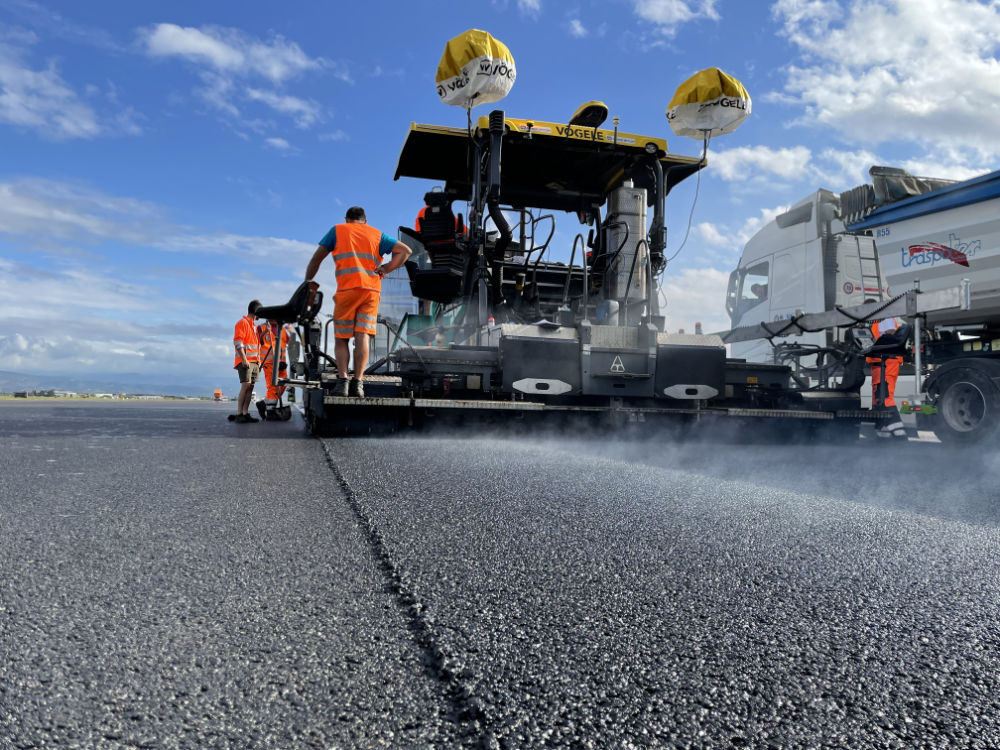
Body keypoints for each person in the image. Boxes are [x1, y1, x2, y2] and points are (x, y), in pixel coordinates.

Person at [304, 206, 412, 398]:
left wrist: (308, 284)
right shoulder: (377, 235)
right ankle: (358, 382)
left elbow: (316, 259)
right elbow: (405, 251)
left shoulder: (337, 230)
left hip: (347, 290)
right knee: (362, 336)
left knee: (342, 338)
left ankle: (343, 381)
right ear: (365, 221)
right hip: (370, 291)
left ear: (347, 219)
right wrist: (386, 268)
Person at [865, 300, 906, 438]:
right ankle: (883, 432)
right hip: (880, 363)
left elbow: (889, 336)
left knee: (885, 396)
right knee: (878, 399)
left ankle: (900, 434)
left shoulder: (885, 318)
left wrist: (872, 343)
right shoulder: (877, 322)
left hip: (886, 363)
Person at [232, 300, 261, 423]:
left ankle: (245, 413)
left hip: (254, 362)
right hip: (246, 361)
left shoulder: (254, 326)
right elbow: (238, 342)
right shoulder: (242, 323)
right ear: (255, 311)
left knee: (250, 387)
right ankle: (239, 414)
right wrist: (244, 359)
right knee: (245, 386)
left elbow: (255, 344)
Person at [256, 318, 290, 412]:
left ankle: (264, 403)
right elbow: (256, 341)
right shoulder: (261, 327)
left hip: (281, 363)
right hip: (269, 362)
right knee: (272, 386)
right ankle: (271, 410)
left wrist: (290, 330)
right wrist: (266, 331)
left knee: (284, 383)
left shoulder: (282, 328)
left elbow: (288, 342)